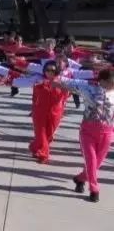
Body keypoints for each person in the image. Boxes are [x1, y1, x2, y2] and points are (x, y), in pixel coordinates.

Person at [48, 71, 114, 203]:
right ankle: (94, 189)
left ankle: (80, 179)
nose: (112, 86)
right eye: (111, 83)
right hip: (88, 131)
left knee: (97, 164)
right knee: (91, 161)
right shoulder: (88, 87)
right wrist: (54, 78)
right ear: (102, 80)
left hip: (107, 132)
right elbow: (67, 82)